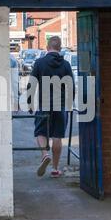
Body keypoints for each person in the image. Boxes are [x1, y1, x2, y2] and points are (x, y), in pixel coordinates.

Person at [27, 36, 75, 178]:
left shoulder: (39, 63)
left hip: (44, 104)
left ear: (47, 47)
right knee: (57, 136)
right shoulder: (65, 64)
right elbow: (71, 86)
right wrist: (69, 104)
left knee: (40, 132)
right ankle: (55, 168)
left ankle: (44, 154)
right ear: (59, 49)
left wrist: (29, 103)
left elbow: (31, 84)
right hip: (60, 105)